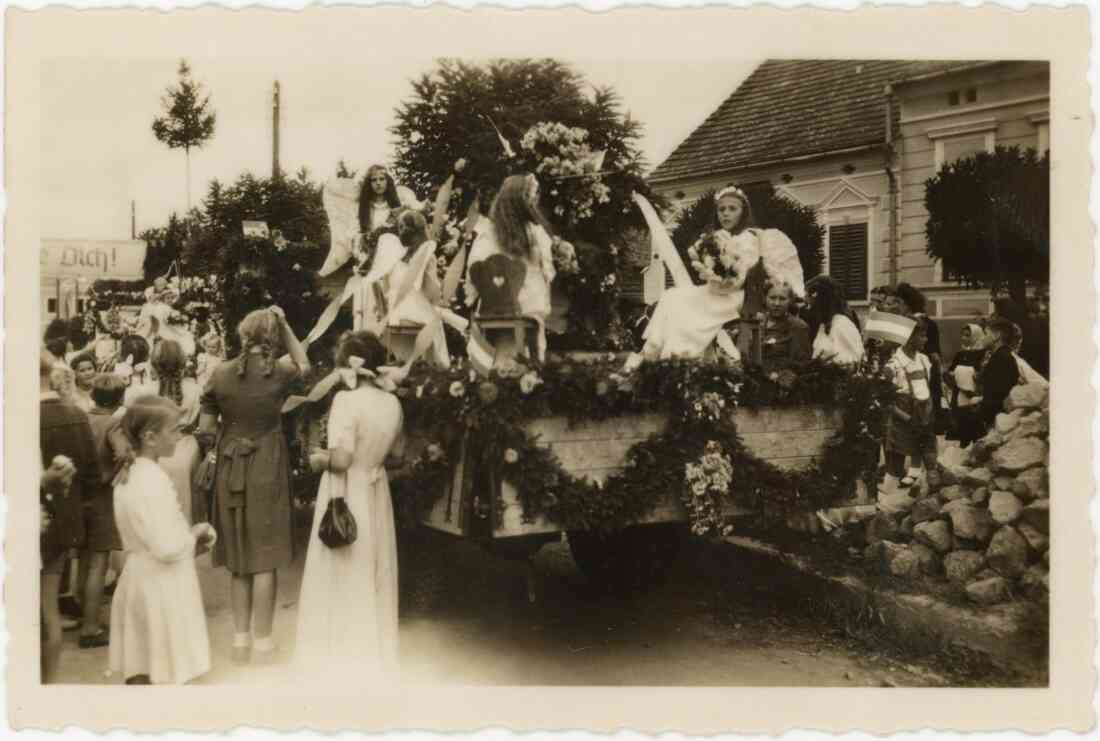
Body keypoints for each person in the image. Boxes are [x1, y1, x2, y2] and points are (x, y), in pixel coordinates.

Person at [198, 306, 310, 664]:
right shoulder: (279, 372)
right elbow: (304, 362)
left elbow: (205, 427)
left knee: (239, 559)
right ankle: (263, 643)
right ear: (272, 338)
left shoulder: (220, 373)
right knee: (266, 559)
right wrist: (287, 322)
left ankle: (240, 641)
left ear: (242, 335)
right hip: (268, 463)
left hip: (231, 463)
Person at [295, 331, 403, 680]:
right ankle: (374, 647)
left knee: (342, 563)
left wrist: (318, 458)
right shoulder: (393, 402)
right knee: (374, 564)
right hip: (376, 486)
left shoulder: (346, 401)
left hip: (347, 488)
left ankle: (340, 651)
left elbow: (341, 460)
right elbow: (398, 454)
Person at [632, 186, 805, 363]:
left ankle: (681, 355)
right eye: (721, 210)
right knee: (671, 296)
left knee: (683, 304)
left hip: (740, 296)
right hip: (716, 291)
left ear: (743, 212)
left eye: (732, 209)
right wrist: (713, 275)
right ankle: (656, 354)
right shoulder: (712, 239)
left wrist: (731, 277)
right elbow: (711, 272)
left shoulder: (752, 238)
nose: (726, 214)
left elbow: (756, 276)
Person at [109, 396, 215, 685]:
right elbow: (167, 546)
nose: (180, 437)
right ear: (150, 437)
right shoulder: (151, 480)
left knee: (145, 666)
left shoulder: (130, 474)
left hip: (141, 577)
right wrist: (193, 535)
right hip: (163, 587)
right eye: (175, 431)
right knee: (166, 670)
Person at [39, 349, 101, 683]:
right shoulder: (76, 414)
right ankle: (46, 687)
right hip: (62, 519)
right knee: (47, 611)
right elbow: (91, 473)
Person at [465, 173, 560, 360]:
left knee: (504, 350)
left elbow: (474, 270)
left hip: (498, 306)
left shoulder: (490, 233)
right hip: (526, 305)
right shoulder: (534, 233)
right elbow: (548, 271)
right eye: (531, 196)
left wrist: (475, 295)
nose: (534, 201)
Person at [76, 373, 127, 649]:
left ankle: (86, 612)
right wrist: (115, 472)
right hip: (100, 496)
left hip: (79, 494)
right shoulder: (113, 422)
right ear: (119, 398)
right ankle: (90, 627)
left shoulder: (82, 418)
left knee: (84, 559)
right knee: (99, 562)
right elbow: (122, 452)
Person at [125, 338, 202, 520]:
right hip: (185, 451)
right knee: (184, 509)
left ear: (153, 362)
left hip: (150, 453)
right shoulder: (196, 390)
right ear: (183, 363)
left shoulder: (139, 392)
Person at [883, 320, 939, 495]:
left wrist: (927, 412)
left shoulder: (924, 360)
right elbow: (887, 402)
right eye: (921, 335)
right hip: (903, 420)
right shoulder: (893, 365)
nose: (925, 339)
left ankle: (928, 495)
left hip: (924, 416)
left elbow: (927, 389)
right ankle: (886, 499)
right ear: (908, 337)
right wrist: (908, 418)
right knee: (895, 464)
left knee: (929, 455)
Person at [740, 279, 811, 370]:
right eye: (772, 298)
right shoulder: (757, 322)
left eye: (782, 299)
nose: (777, 303)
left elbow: (801, 364)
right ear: (765, 298)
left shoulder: (798, 327)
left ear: (790, 301)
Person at [805, 276, 863, 365]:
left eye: (809, 297)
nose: (807, 305)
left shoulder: (841, 324)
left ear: (821, 301)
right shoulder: (824, 325)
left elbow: (856, 359)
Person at [977, 318, 1020, 434]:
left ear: (997, 336)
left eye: (985, 334)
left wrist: (982, 413)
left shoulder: (1002, 358)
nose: (982, 338)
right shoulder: (1000, 356)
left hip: (998, 420)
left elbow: (998, 394)